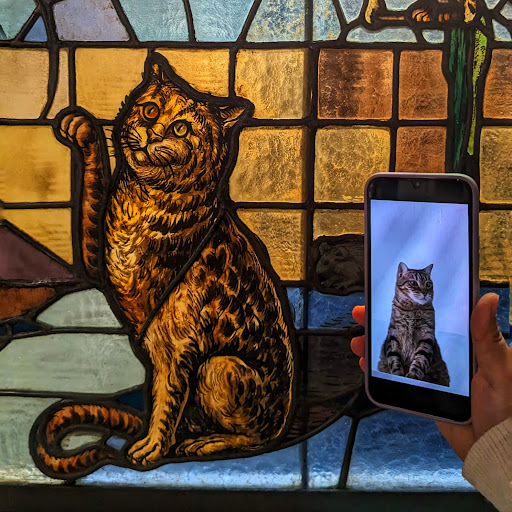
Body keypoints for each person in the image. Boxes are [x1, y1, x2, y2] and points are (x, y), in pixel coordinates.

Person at [351, 293, 512, 512]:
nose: (423, 291)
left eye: (427, 286)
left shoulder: (428, 310)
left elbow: (426, 347)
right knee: (387, 344)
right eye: (415, 285)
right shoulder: (396, 306)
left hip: (431, 377)